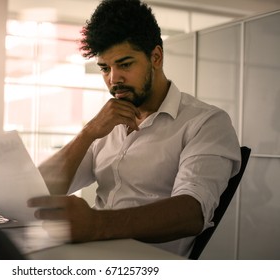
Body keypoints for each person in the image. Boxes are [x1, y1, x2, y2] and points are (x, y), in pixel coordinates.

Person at [27, 0, 241, 257]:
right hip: (93, 254)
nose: (113, 79)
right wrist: (88, 133)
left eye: (125, 64)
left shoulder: (206, 123)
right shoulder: (104, 123)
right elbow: (38, 191)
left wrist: (96, 225)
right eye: (105, 68)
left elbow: (192, 213)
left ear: (156, 57)